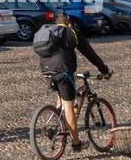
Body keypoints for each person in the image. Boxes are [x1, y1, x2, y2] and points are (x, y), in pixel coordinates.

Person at [33, 8, 112, 151]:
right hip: (63, 72)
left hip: (47, 71)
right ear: (68, 22)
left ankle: (58, 119)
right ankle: (76, 144)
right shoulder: (71, 32)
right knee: (69, 106)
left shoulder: (50, 34)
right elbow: (89, 53)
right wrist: (104, 71)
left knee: (65, 88)